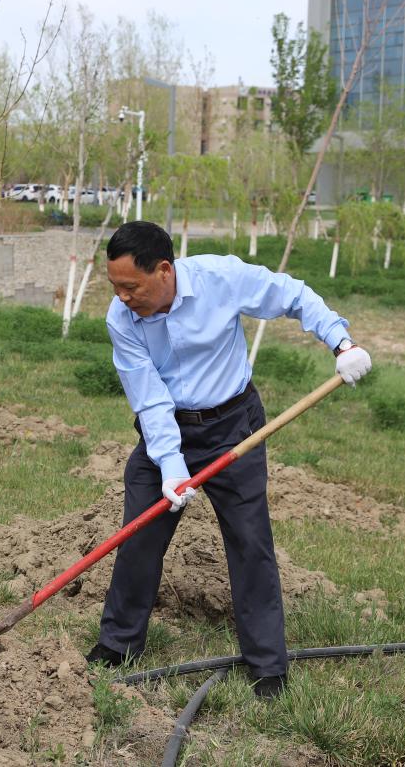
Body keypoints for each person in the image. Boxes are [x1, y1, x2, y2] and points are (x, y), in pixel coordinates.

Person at [87, 221, 372, 700]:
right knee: (138, 536)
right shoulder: (122, 318)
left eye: (130, 286)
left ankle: (267, 666)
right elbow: (149, 398)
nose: (122, 297)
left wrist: (341, 342)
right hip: (168, 429)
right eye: (114, 286)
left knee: (249, 542)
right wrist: (170, 464)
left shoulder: (220, 278)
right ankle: (118, 644)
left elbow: (292, 294)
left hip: (233, 427)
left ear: (163, 270)